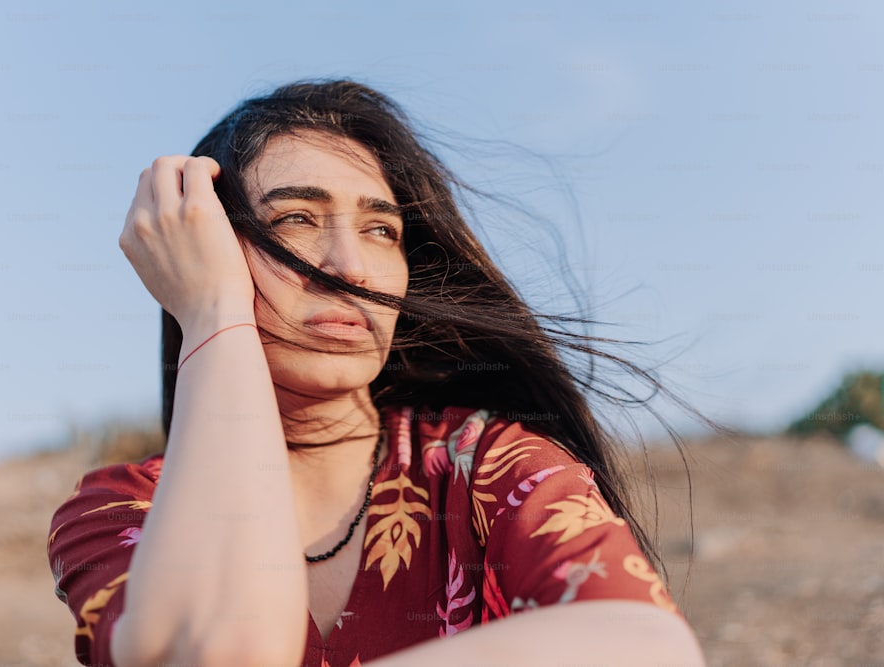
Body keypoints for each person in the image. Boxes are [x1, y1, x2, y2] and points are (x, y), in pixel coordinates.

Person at [48, 80, 706, 666]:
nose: (351, 266)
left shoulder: (487, 465)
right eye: (296, 218)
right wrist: (213, 312)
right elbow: (221, 650)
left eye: (382, 230)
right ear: (206, 248)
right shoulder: (121, 507)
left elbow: (648, 646)